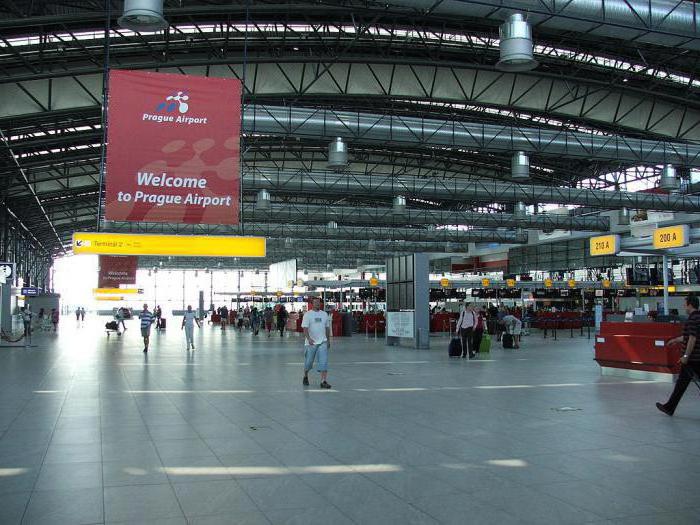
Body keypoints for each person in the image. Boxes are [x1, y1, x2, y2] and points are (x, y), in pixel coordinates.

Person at [657, 295, 700, 416]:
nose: (683, 306)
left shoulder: (692, 319)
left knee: (681, 384)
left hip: (693, 359)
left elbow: (692, 338)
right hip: (696, 358)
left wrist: (686, 356)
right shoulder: (698, 317)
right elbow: (688, 336)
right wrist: (675, 340)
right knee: (681, 384)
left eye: (685, 304)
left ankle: (669, 407)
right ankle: (669, 407)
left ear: (690, 304)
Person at [302, 298, 332, 389]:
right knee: (308, 362)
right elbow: (305, 328)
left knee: (323, 361)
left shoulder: (324, 314)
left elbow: (327, 328)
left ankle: (323, 381)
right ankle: (305, 375)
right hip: (311, 343)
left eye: (319, 302)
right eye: (315, 302)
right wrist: (309, 339)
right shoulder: (308, 315)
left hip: (323, 341)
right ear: (312, 304)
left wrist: (328, 340)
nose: (318, 304)